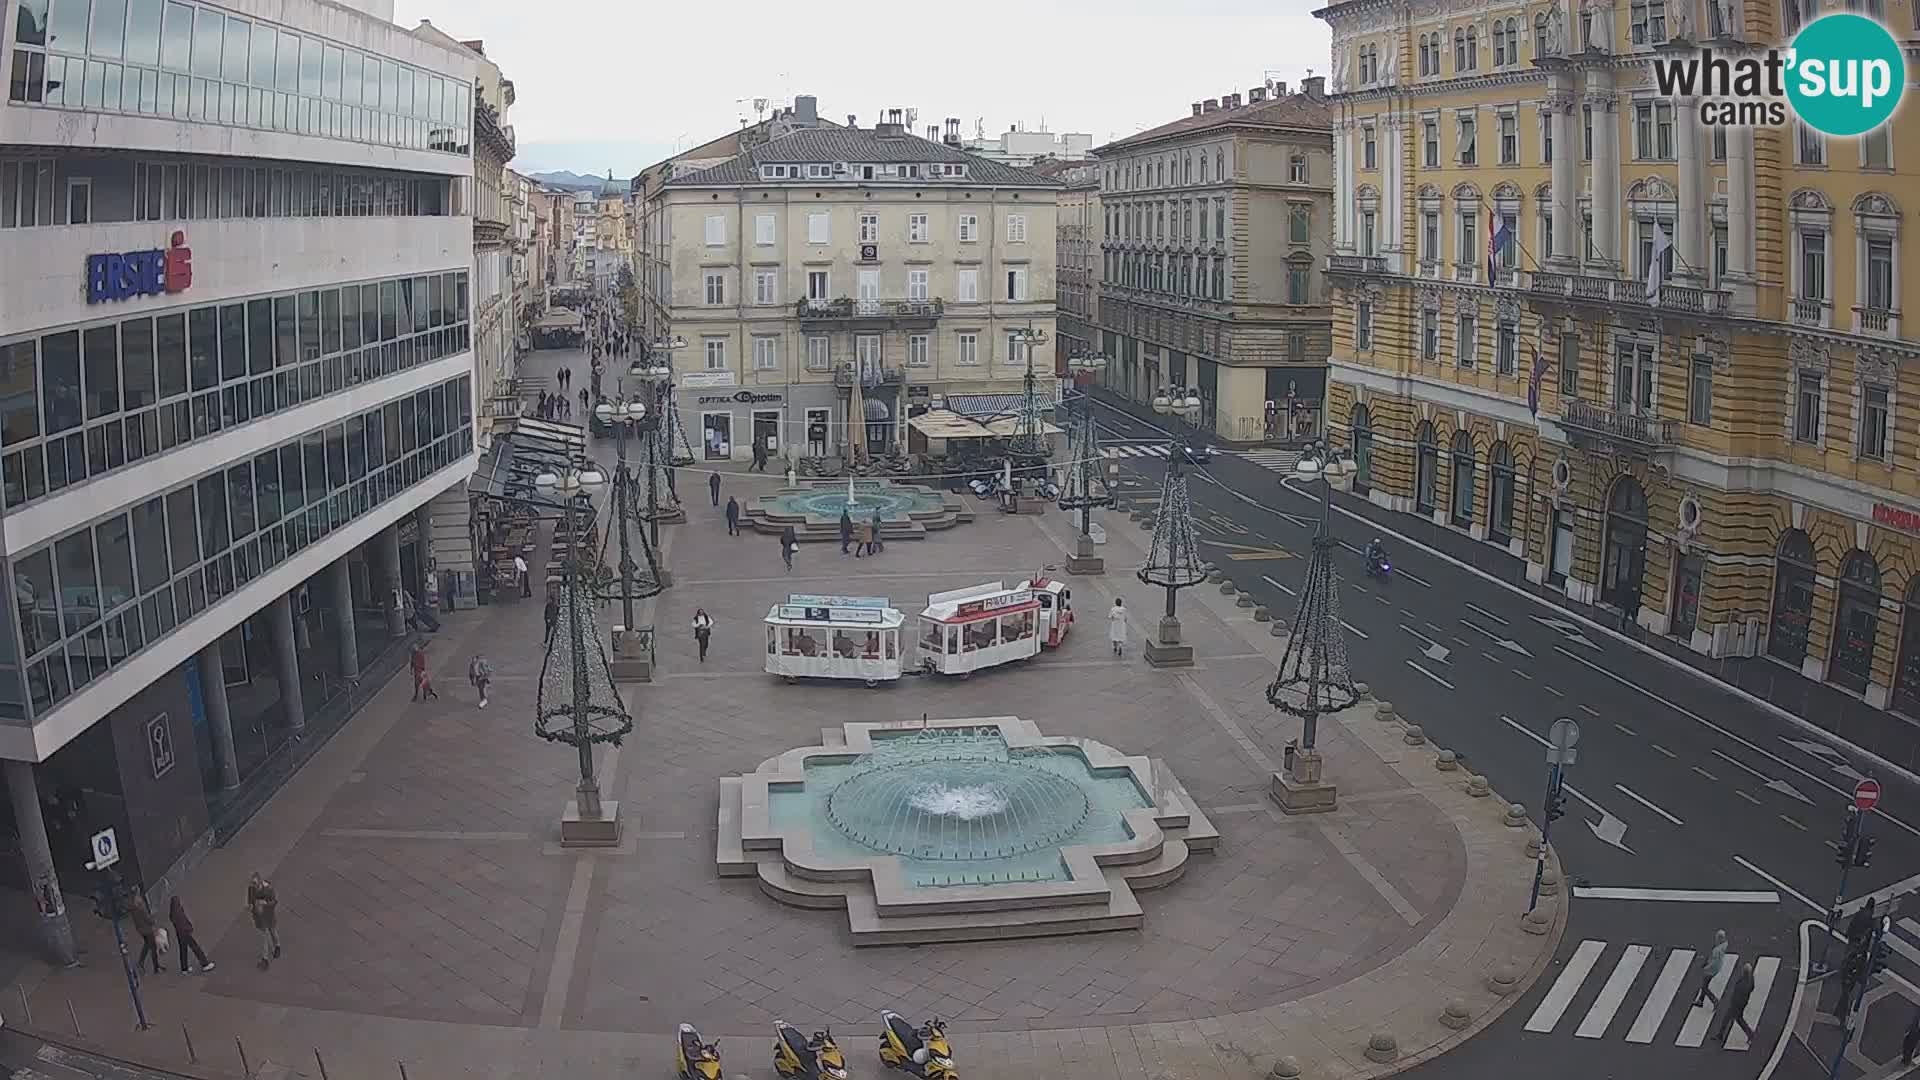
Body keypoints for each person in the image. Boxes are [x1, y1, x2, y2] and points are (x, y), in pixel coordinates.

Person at [169, 895, 213, 974]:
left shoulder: (173, 914)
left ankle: (184, 968)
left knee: (183, 950)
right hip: (185, 932)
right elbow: (184, 922)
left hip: (179, 934)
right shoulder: (179, 913)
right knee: (195, 947)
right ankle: (205, 964)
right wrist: (189, 928)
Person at [1714, 961, 1757, 1043]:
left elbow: (1738, 994)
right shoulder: (1750, 979)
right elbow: (1752, 988)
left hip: (1737, 1004)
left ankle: (1750, 1034)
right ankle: (1750, 1034)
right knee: (1736, 1019)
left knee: (1730, 1018)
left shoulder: (1744, 982)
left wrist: (1733, 1002)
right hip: (1742, 1003)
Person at [246, 872, 280, 969]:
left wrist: (265, 903)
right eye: (252, 883)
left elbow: (274, 902)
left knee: (273, 931)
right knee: (265, 936)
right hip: (259, 916)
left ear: (260, 882)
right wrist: (250, 906)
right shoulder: (251, 889)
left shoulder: (269, 889)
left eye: (255, 883)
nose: (254, 885)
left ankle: (277, 946)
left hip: (268, 915)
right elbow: (250, 900)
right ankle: (265, 958)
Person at [128, 889, 163, 975]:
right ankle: (156, 967)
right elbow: (147, 918)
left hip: (141, 929)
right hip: (147, 929)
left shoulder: (132, 906)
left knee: (147, 945)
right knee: (153, 948)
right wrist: (153, 920)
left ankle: (141, 962)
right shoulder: (140, 906)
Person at [1693, 929, 1728, 1007]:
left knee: (1704, 987)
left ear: (1719, 938)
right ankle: (1700, 1001)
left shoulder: (1717, 950)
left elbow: (1714, 963)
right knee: (1705, 984)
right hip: (1715, 968)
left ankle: (1714, 1000)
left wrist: (1706, 967)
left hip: (1711, 970)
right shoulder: (1723, 945)